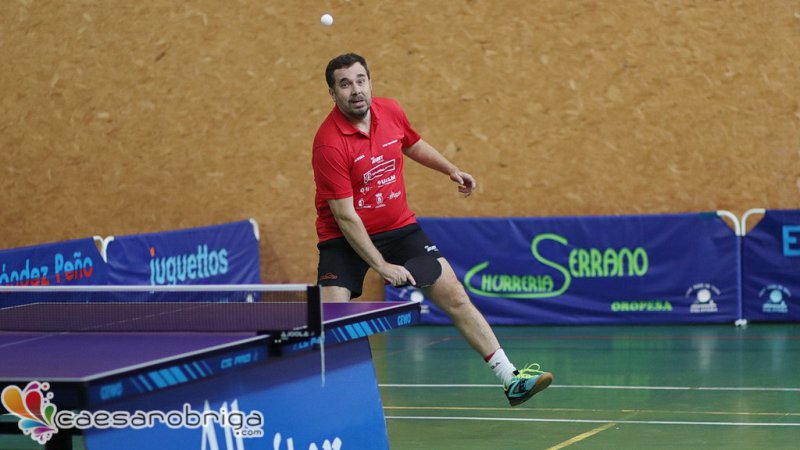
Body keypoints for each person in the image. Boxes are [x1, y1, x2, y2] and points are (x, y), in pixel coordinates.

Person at [311, 53, 553, 406]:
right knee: (331, 319)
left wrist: (450, 169)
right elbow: (345, 217)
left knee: (454, 294)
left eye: (361, 80)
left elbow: (412, 144)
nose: (356, 90)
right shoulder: (329, 143)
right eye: (345, 84)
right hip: (343, 238)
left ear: (370, 82)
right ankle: (327, 398)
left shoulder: (390, 111)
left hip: (398, 228)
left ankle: (510, 378)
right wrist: (382, 266)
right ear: (333, 93)